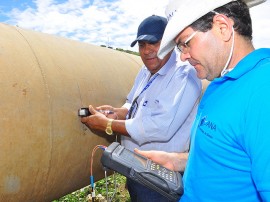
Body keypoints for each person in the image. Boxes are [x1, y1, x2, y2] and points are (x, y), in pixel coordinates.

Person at [136, 0, 270, 201]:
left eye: (185, 44)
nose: (182, 57)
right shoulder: (218, 83)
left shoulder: (263, 91)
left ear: (222, 28)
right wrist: (178, 161)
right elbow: (229, 157)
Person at [81, 15, 202, 202]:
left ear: (169, 42)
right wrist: (116, 112)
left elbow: (160, 127)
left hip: (159, 176)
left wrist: (109, 124)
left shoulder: (183, 75)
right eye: (142, 45)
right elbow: (132, 103)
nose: (147, 51)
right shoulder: (146, 71)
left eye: (154, 43)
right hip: (135, 168)